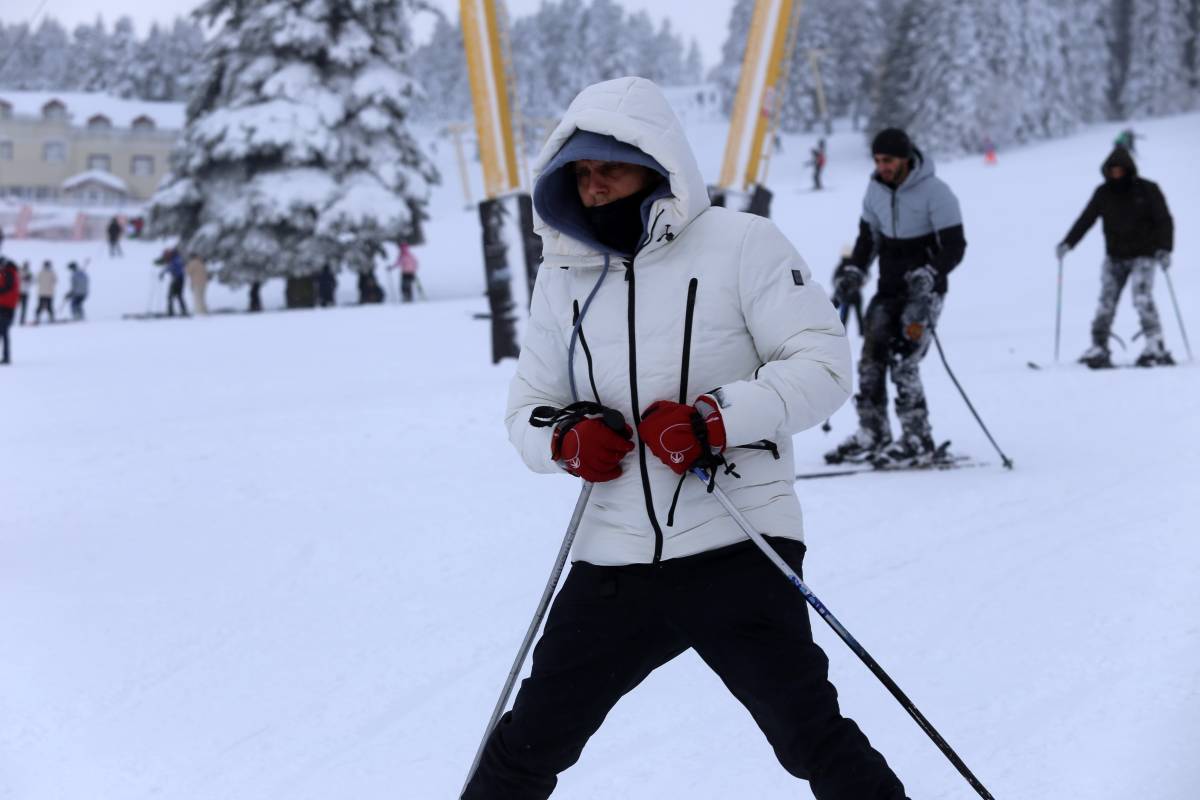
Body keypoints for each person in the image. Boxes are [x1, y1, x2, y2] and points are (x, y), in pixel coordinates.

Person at [465, 77, 909, 800]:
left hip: (736, 542)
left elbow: (823, 365)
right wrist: (568, 438)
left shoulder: (743, 244)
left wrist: (714, 419)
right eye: (580, 171)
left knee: (810, 737)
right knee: (527, 743)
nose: (595, 184)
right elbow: (529, 408)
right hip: (613, 555)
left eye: (609, 164)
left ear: (656, 160)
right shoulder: (563, 274)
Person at [825, 128, 966, 466]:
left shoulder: (936, 192)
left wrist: (931, 273)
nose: (882, 166)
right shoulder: (874, 190)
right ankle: (872, 432)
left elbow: (955, 246)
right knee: (871, 359)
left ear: (904, 157)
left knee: (905, 361)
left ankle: (917, 437)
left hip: (923, 293)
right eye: (877, 160)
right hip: (888, 289)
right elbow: (868, 239)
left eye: (887, 160)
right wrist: (855, 270)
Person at [1056, 147, 1174, 368]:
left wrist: (1165, 249)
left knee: (1142, 297)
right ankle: (1099, 346)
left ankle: (1155, 344)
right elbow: (1086, 219)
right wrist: (1068, 243)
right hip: (1115, 257)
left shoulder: (1147, 190)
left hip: (1144, 254)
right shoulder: (1103, 193)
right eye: (1113, 171)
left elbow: (1164, 220)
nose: (1116, 174)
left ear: (1129, 170)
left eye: (1120, 170)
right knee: (1106, 302)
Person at [159, 248, 189, 317]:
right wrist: (163, 273)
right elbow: (169, 267)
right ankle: (180, 311)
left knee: (173, 295)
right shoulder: (174, 259)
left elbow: (173, 267)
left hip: (178, 279)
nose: (166, 258)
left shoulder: (176, 259)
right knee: (176, 296)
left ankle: (172, 312)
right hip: (177, 278)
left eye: (166, 256)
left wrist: (164, 273)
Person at [0, 258, 18, 364]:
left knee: (4, 332)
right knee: (3, 333)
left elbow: (6, 287)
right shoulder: (10, 272)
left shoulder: (8, 273)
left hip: (5, 306)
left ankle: (6, 357)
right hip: (6, 305)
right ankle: (6, 356)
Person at [18, 261, 32, 325]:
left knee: (24, 308)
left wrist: (28, 279)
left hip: (26, 292)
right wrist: (22, 278)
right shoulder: (19, 272)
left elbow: (31, 282)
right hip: (19, 292)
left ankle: (22, 320)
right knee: (15, 307)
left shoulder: (29, 273)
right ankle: (13, 319)